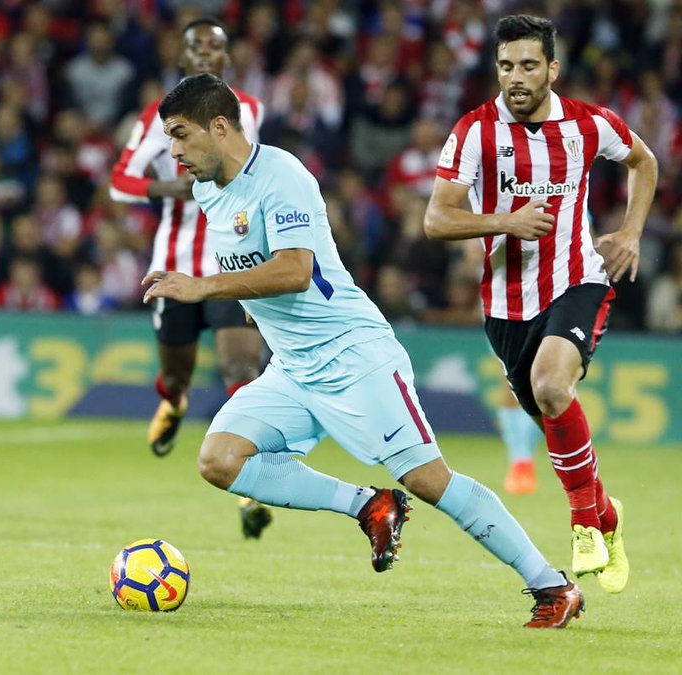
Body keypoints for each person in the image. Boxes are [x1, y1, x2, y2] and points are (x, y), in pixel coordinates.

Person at [144, 73, 582, 629]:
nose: (173, 151)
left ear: (220, 126)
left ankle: (552, 586)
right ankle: (369, 506)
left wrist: (203, 287)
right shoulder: (208, 191)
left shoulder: (281, 176)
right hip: (294, 369)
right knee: (219, 459)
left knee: (429, 480)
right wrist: (252, 309)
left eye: (180, 135)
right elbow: (251, 264)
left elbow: (296, 270)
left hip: (354, 356)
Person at [425, 14, 656, 594]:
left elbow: (644, 162)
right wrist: (506, 221)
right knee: (553, 421)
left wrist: (631, 232)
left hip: (578, 280)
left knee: (553, 385)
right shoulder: (474, 131)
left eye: (528, 66)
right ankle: (607, 515)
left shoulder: (588, 123)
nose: (516, 78)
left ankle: (584, 525)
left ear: (552, 68)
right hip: (506, 305)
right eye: (506, 66)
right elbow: (437, 219)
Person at [109, 18, 271, 539]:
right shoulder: (157, 118)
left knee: (240, 367)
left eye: (214, 47)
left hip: (231, 264)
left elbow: (254, 173)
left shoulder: (248, 109)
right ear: (180, 58)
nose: (204, 53)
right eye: (195, 46)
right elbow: (119, 181)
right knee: (176, 375)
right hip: (175, 267)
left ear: (226, 60)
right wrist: (167, 190)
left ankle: (248, 484)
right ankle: (174, 401)